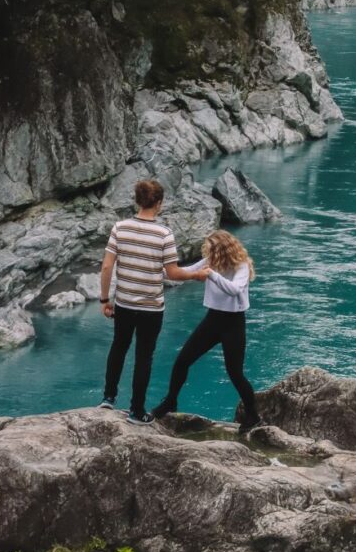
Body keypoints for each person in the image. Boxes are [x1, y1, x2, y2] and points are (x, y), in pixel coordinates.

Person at [99, 178, 197, 422]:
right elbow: (173, 273)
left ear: (137, 200)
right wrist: (198, 274)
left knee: (118, 347)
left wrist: (104, 299)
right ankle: (136, 411)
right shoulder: (164, 234)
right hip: (151, 308)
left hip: (124, 303)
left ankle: (108, 399)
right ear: (159, 204)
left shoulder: (119, 228)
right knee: (144, 357)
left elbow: (106, 267)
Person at [150, 230, 261, 431]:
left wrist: (212, 274)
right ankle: (170, 402)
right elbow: (185, 272)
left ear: (222, 250)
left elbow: (235, 289)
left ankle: (253, 415)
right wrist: (158, 269)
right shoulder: (209, 261)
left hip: (233, 323)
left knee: (235, 372)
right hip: (212, 320)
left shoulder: (241, 265)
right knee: (182, 361)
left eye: (211, 249)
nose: (208, 253)